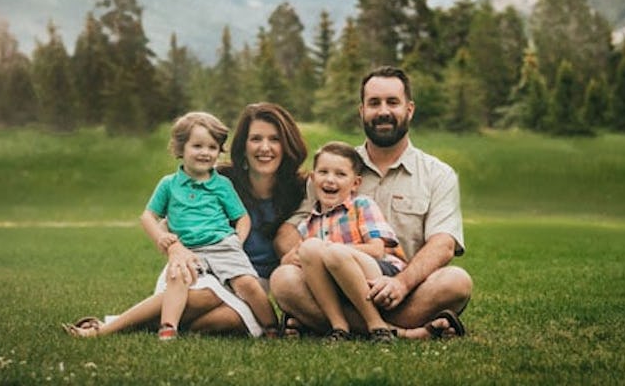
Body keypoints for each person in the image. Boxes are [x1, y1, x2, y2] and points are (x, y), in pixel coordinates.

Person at [63, 103, 308, 338]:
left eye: (274, 139)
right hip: (200, 265)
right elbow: (168, 220)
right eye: (256, 139)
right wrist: (175, 248)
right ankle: (112, 328)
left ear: (286, 144)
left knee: (227, 320)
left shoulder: (301, 188)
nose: (265, 147)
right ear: (243, 145)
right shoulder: (219, 177)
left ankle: (138, 324)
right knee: (206, 296)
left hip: (249, 278)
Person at [271, 66, 473, 339]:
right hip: (335, 289)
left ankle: (324, 323)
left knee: (456, 281)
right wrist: (295, 253)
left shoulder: (438, 174)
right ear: (362, 111)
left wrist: (400, 284)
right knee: (283, 281)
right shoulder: (333, 169)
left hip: (406, 292)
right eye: (374, 103)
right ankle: (404, 332)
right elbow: (289, 229)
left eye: (393, 102)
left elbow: (443, 245)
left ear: (409, 109)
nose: (383, 111)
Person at [297, 141, 407, 342]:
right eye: (323, 172)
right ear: (312, 179)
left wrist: (333, 249)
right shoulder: (307, 225)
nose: (330, 180)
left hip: (380, 274)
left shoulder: (361, 205)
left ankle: (377, 326)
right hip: (339, 284)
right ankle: (339, 327)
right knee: (310, 248)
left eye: (340, 174)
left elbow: (376, 250)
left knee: (333, 253)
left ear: (355, 183)